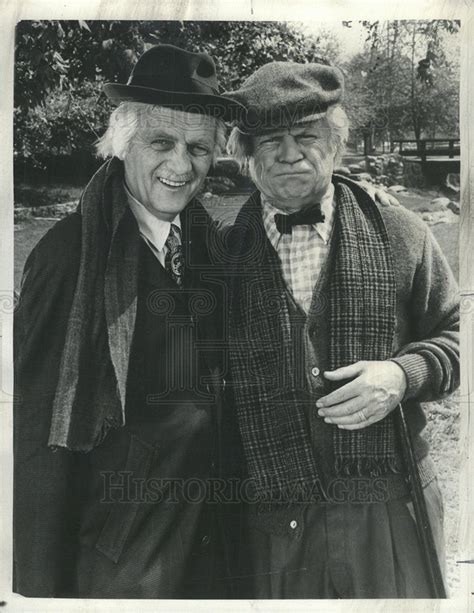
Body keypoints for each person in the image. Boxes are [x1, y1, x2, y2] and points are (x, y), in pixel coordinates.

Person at [13, 43, 242, 599]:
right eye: (161, 142)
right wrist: (37, 594)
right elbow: (38, 448)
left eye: (199, 148)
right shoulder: (71, 258)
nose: (181, 165)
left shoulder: (207, 243)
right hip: (120, 570)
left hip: (205, 553)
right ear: (122, 144)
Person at [224, 60, 459, 598]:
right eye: (269, 141)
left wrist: (403, 374)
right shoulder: (215, 255)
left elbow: (457, 334)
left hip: (390, 514)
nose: (289, 153)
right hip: (271, 527)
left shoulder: (401, 231)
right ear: (245, 154)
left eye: (306, 136)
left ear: (335, 142)